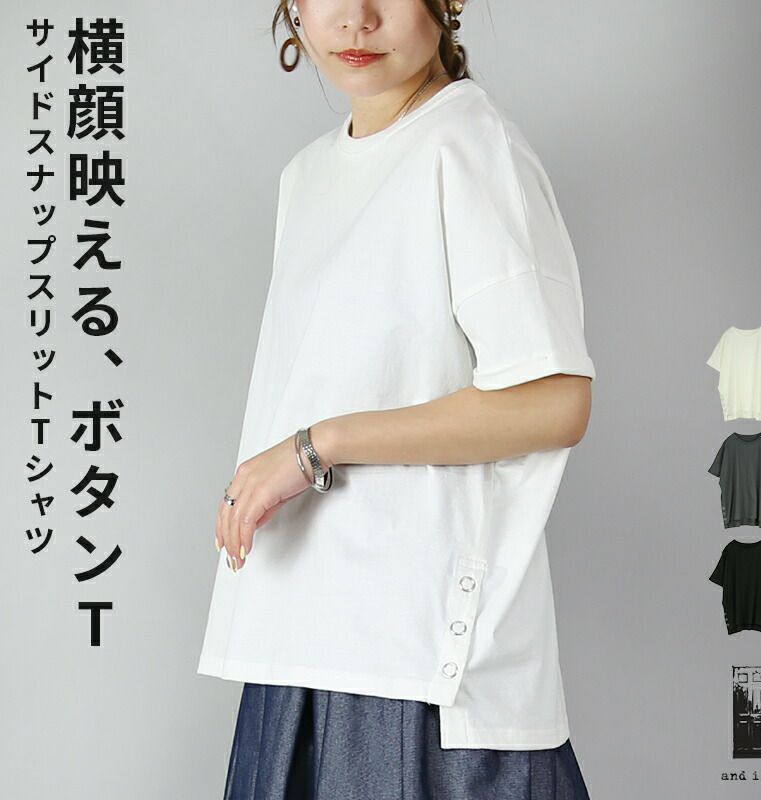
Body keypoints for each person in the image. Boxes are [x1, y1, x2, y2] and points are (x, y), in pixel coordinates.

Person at [198, 2, 596, 797]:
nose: (357, 19)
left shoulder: (469, 145)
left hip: (415, 668)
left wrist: (314, 446)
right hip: (297, 646)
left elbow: (553, 401)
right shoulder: (307, 176)